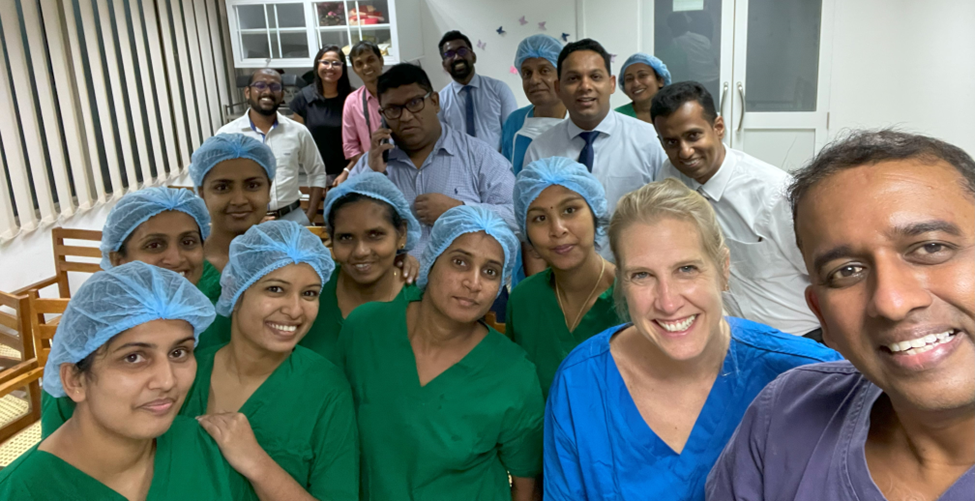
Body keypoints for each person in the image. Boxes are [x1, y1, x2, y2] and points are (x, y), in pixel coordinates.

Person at [706, 130, 975, 501]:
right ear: (822, 317)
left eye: (930, 247)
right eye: (846, 271)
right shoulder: (783, 419)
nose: (891, 302)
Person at [544, 179, 840, 501]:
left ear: (723, 269)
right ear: (623, 284)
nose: (668, 302)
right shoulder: (581, 383)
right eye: (642, 275)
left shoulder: (807, 377)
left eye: (686, 269)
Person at [338, 205, 543, 500]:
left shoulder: (514, 373)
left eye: (490, 271)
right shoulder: (365, 330)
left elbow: (525, 486)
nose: (473, 283)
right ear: (432, 260)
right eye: (460, 262)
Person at [6, 262, 245, 500]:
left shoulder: (205, 447)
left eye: (178, 352)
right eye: (133, 357)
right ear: (75, 381)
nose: (167, 381)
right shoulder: (22, 492)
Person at [183, 220, 359, 501]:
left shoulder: (326, 390)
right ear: (236, 291)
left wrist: (256, 463)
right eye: (275, 289)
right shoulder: (187, 373)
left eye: (309, 294)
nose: (294, 310)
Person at [39, 187, 215, 437]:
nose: (175, 258)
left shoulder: (213, 309)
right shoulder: (95, 327)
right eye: (154, 245)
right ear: (117, 259)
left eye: (188, 242)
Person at [651, 82, 821, 338]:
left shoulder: (774, 193)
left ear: (718, 127)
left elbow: (822, 271)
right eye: (672, 142)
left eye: (694, 135)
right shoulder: (671, 177)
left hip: (796, 337)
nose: (685, 152)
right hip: (729, 337)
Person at [347, 63, 517, 256]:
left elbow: (516, 216)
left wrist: (459, 211)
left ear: (435, 102)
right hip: (395, 283)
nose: (406, 117)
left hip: (466, 282)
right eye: (393, 109)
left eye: (414, 103)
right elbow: (344, 223)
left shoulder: (478, 155)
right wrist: (373, 176)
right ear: (383, 115)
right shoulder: (372, 164)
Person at [526, 38, 667, 260]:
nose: (585, 86)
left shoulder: (649, 141)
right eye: (573, 78)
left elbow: (667, 216)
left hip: (632, 273)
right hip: (565, 278)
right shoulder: (540, 150)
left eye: (595, 76)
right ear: (558, 87)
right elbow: (534, 227)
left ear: (611, 84)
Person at [506, 157, 622, 399]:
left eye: (569, 210)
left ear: (595, 213)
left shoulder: (630, 295)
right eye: (539, 218)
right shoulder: (524, 300)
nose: (557, 229)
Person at [299, 172, 422, 365]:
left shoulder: (422, 306)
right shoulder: (309, 294)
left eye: (375, 235)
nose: (361, 251)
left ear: (402, 234)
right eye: (346, 238)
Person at [216, 69, 327, 225]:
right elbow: (217, 181)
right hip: (247, 220)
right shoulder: (227, 134)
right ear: (247, 92)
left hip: (293, 219)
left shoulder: (298, 131)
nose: (267, 91)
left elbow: (317, 171)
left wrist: (309, 215)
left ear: (282, 95)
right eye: (260, 85)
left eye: (275, 87)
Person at [436, 30, 518, 151]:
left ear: (473, 57)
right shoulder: (441, 101)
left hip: (497, 165)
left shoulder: (499, 89)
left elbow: (512, 133)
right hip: (458, 166)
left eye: (462, 51)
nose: (457, 57)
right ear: (444, 65)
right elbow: (441, 140)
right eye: (449, 54)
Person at [502, 34, 568, 176]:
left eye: (544, 70)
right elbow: (505, 176)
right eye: (527, 73)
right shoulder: (514, 121)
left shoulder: (580, 119)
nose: (534, 80)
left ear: (563, 75)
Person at [290, 45, 354, 186]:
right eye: (325, 62)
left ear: (343, 68)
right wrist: (318, 178)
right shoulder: (303, 98)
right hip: (313, 174)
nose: (330, 67)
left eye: (336, 63)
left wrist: (346, 173)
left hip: (351, 173)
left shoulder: (352, 98)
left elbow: (360, 144)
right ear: (317, 65)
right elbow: (300, 142)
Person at [341, 41, 385, 175]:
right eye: (359, 64)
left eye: (370, 60)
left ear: (381, 61)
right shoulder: (352, 101)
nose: (366, 67)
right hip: (370, 172)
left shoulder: (399, 94)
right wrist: (371, 167)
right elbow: (350, 147)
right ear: (354, 69)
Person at [616, 53, 672, 123]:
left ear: (660, 80)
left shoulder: (676, 112)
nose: (636, 83)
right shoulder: (617, 117)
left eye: (642, 75)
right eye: (629, 79)